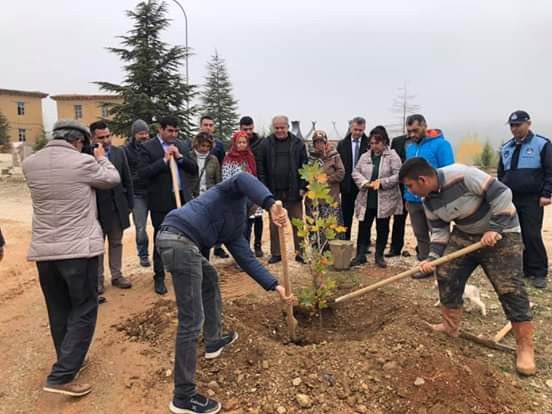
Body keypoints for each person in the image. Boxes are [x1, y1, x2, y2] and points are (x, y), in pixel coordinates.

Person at [157, 172, 294, 414]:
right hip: (179, 239)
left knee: (209, 278)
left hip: (181, 241)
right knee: (191, 320)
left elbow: (247, 259)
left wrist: (275, 286)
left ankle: (213, 341)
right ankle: (183, 396)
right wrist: (271, 203)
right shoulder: (231, 190)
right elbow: (243, 177)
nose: (255, 209)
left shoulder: (236, 227)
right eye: (256, 203)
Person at [400, 157, 535, 376]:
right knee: (445, 272)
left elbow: (502, 193)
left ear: (422, 179)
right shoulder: (428, 201)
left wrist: (494, 228)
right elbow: (440, 231)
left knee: (509, 287)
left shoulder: (463, 175)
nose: (410, 190)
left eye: (410, 186)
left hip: (502, 234)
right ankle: (450, 327)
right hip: (466, 235)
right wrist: (432, 258)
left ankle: (525, 348)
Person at [22, 120, 120, 396]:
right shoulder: (82, 162)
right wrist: (101, 159)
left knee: (58, 309)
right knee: (85, 307)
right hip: (78, 251)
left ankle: (69, 360)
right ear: (78, 141)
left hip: (45, 252)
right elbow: (112, 179)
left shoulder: (31, 163)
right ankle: (62, 376)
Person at [139, 116, 198, 295]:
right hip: (161, 201)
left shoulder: (182, 145)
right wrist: (163, 161)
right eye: (169, 131)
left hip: (182, 198)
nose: (173, 134)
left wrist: (179, 158)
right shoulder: (147, 148)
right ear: (161, 130)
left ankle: (183, 272)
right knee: (161, 237)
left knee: (185, 236)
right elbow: (143, 173)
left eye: (176, 131)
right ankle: (159, 276)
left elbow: (193, 169)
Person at [498, 110, 552, 289]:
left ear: (529, 124)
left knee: (531, 234)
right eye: (512, 125)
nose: (514, 129)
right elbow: (501, 174)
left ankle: (538, 272)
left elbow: (549, 171)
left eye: (518, 125)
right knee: (514, 235)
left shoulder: (542, 144)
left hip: (532, 198)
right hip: (511, 198)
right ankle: (523, 269)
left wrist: (546, 193)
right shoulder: (506, 147)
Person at [404, 114, 454, 278]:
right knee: (420, 234)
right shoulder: (409, 147)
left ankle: (443, 267)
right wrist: (407, 195)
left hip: (434, 199)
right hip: (413, 200)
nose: (412, 134)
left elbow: (449, 172)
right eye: (409, 131)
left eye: (415, 130)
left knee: (438, 232)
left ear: (425, 126)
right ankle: (425, 265)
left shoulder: (441, 145)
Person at [90, 121, 134, 294]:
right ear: (93, 137)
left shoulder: (119, 153)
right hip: (96, 209)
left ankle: (117, 275)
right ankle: (98, 280)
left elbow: (127, 179)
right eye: (102, 137)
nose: (107, 140)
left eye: (108, 136)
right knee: (97, 246)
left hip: (117, 207)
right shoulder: (87, 155)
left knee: (116, 242)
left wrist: (129, 204)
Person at [258, 115, 308, 264]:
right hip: (273, 192)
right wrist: (264, 190)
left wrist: (302, 187)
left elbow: (304, 166)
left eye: (282, 127)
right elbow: (261, 168)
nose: (279, 130)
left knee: (298, 223)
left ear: (287, 127)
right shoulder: (265, 144)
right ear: (273, 128)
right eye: (277, 128)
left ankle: (301, 253)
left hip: (294, 192)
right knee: (275, 224)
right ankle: (276, 253)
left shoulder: (298, 143)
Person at [351, 126, 402, 268]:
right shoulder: (365, 156)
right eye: (372, 143)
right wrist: (364, 182)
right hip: (367, 199)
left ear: (384, 142)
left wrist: (382, 183)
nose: (374, 146)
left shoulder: (392, 156)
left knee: (383, 227)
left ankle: (379, 255)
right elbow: (355, 172)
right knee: (363, 226)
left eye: (377, 143)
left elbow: (398, 175)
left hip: (384, 200)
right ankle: (360, 254)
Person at [185, 132, 221, 259]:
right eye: (202, 145)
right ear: (196, 144)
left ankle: (205, 258)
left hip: (209, 198)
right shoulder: (188, 157)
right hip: (193, 198)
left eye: (207, 146)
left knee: (207, 229)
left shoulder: (214, 159)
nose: (204, 148)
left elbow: (218, 181)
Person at [306, 130, 345, 241]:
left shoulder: (334, 155)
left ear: (325, 142)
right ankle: (317, 250)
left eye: (321, 142)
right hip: (314, 199)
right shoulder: (310, 158)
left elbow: (341, 173)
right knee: (316, 226)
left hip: (330, 197)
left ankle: (333, 250)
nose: (319, 145)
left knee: (331, 227)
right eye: (316, 142)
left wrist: (327, 179)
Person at [124, 119, 152, 267]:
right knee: (140, 227)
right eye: (141, 133)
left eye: (146, 133)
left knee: (162, 225)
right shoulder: (126, 151)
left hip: (153, 192)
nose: (144, 136)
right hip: (137, 194)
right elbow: (126, 173)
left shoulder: (152, 147)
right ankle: (143, 254)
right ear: (134, 134)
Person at [337, 117, 369, 240]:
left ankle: (363, 244)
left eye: (360, 130)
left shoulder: (369, 144)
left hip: (364, 185)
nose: (357, 132)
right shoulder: (342, 144)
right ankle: (345, 241)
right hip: (347, 186)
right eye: (355, 129)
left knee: (364, 216)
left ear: (364, 129)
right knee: (346, 215)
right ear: (351, 128)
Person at [240, 116, 265, 257]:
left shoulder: (261, 143)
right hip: (243, 187)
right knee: (245, 219)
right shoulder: (238, 142)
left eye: (250, 129)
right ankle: (245, 248)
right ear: (240, 128)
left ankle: (258, 245)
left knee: (258, 217)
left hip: (258, 183)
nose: (248, 132)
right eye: (245, 129)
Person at [387, 133, 410, 257]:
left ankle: (423, 249)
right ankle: (395, 248)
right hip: (401, 186)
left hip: (420, 184)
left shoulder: (425, 142)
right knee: (399, 218)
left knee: (423, 219)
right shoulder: (397, 141)